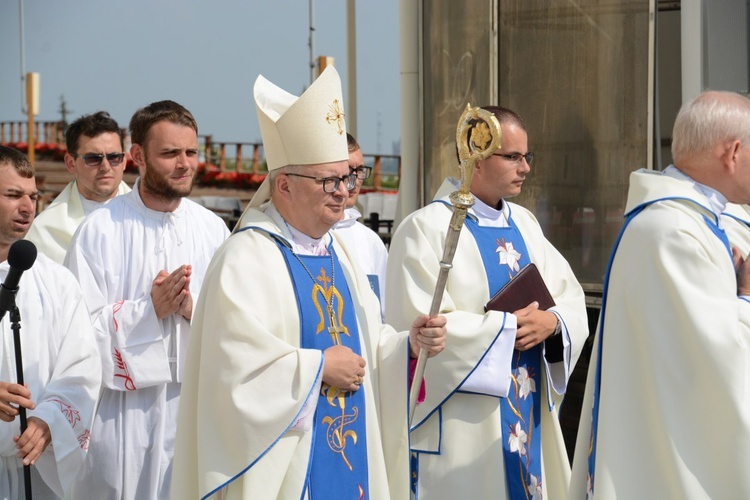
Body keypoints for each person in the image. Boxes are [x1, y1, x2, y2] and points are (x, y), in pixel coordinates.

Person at [171, 66, 446, 499]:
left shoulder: (343, 255)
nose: (343, 191)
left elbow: (369, 353)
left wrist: (406, 347)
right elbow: (233, 376)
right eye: (329, 180)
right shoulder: (246, 258)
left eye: (349, 178)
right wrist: (318, 368)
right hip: (287, 467)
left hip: (350, 459)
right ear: (283, 185)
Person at [386, 106, 589, 499]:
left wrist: (554, 323)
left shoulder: (525, 224)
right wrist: (508, 329)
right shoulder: (425, 229)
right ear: (476, 156)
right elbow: (419, 333)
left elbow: (571, 297)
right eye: (513, 156)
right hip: (464, 428)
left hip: (525, 412)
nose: (525, 167)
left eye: (527, 156)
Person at [569, 90, 750, 498]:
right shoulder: (676, 233)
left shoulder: (686, 222)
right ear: (734, 152)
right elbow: (721, 368)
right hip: (670, 464)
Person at [64, 100, 230, 499]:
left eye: (191, 152)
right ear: (137, 155)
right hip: (123, 415)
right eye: (170, 153)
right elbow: (73, 336)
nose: (184, 164)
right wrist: (148, 311)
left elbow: (237, 323)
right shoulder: (99, 231)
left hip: (192, 408)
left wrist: (193, 308)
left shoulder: (213, 230)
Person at [0, 146, 100, 499]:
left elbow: (82, 366)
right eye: (13, 195)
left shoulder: (56, 281)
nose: (28, 208)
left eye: (33, 196)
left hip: (37, 468)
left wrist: (48, 422)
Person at [25, 111, 131, 264]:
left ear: (125, 161)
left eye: (114, 157)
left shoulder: (149, 217)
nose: (105, 167)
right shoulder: (46, 230)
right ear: (70, 163)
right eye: (93, 158)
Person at [332, 133, 389, 314]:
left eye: (360, 171)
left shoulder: (370, 241)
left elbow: (383, 312)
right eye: (349, 170)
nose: (355, 181)